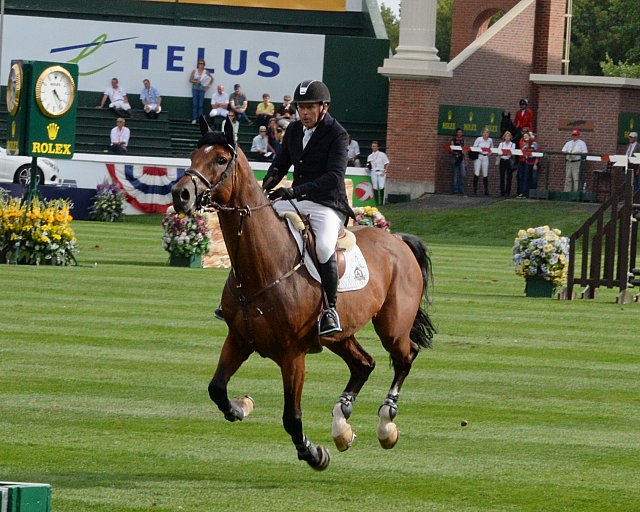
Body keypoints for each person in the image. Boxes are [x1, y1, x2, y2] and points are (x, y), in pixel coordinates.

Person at [261, 79, 353, 336]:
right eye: (301, 107)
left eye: (309, 107)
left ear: (323, 107)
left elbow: (334, 177)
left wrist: (294, 191)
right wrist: (265, 187)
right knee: (257, 227)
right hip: (297, 199)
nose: (304, 113)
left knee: (323, 246)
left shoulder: (337, 134)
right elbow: (280, 164)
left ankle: (330, 309)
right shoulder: (293, 130)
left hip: (327, 203)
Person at [189, 59, 213, 124]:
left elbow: (211, 79)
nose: (201, 65)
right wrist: (196, 81)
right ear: (198, 64)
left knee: (200, 105)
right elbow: (190, 80)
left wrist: (208, 87)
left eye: (202, 64)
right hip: (195, 89)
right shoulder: (194, 71)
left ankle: (200, 119)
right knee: (195, 104)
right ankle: (194, 118)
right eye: (200, 63)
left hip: (202, 90)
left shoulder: (206, 72)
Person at [366, 141, 389, 206]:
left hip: (380, 171)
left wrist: (385, 171)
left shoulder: (382, 155)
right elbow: (368, 164)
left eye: (375, 146)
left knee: (381, 186)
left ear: (378, 147)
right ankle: (377, 202)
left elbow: (387, 163)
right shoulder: (370, 156)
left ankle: (381, 202)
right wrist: (367, 168)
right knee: (375, 187)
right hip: (373, 171)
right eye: (373, 146)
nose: (374, 147)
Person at [472, 128, 493, 196]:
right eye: (484, 132)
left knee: (485, 174)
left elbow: (491, 148)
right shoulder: (479, 139)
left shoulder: (490, 140)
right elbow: (474, 147)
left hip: (485, 157)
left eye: (486, 133)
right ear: (482, 133)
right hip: (479, 156)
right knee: (476, 172)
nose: (485, 134)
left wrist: (490, 152)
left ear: (488, 134)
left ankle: (486, 191)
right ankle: (474, 191)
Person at [517, 132, 538, 198]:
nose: (525, 137)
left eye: (527, 136)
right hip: (527, 162)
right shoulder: (524, 144)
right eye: (524, 136)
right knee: (525, 177)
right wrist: (524, 148)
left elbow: (537, 155)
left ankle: (532, 194)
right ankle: (524, 193)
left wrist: (535, 164)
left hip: (533, 163)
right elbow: (522, 152)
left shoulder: (534, 144)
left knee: (533, 178)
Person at [497, 130, 516, 197]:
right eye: (506, 136)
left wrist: (504, 152)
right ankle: (502, 192)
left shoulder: (513, 144)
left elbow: (511, 153)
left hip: (508, 161)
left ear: (510, 137)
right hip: (502, 161)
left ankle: (508, 192)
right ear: (504, 137)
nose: (507, 137)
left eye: (508, 136)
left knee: (509, 177)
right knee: (502, 177)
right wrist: (505, 153)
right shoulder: (501, 144)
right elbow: (499, 153)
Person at [449, 127, 465, 194]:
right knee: (455, 174)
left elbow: (463, 149)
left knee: (463, 174)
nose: (459, 133)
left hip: (461, 158)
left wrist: (464, 157)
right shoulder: (453, 139)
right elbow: (451, 149)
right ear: (456, 133)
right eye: (458, 132)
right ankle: (455, 190)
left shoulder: (463, 140)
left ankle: (461, 189)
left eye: (460, 132)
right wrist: (455, 153)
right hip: (455, 157)